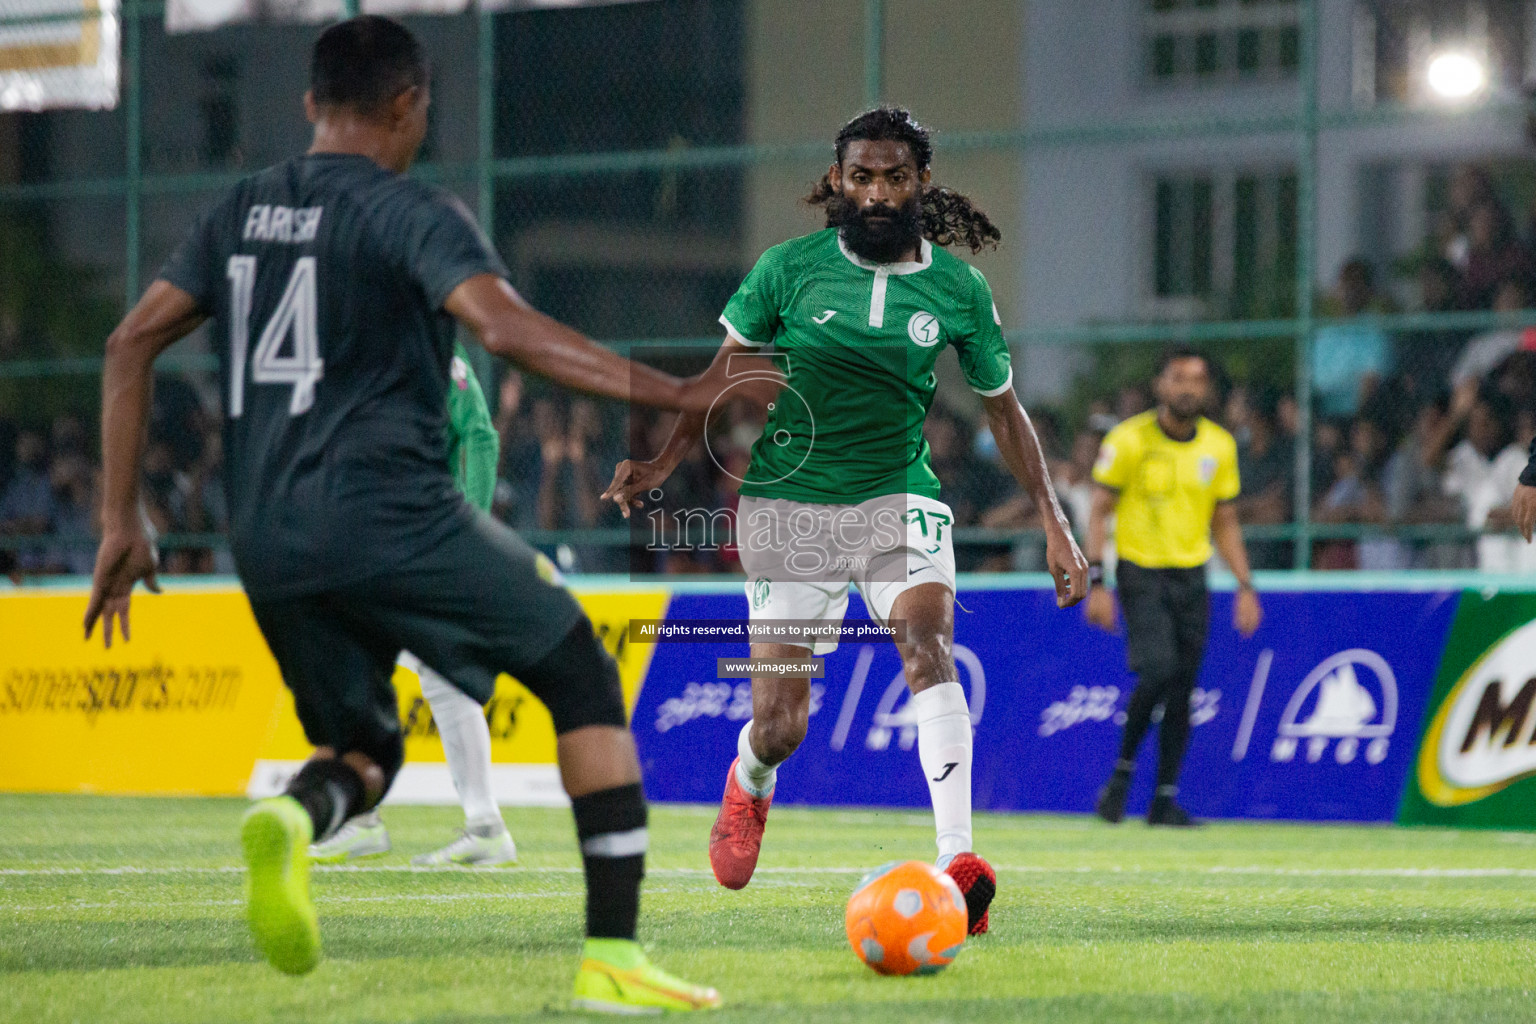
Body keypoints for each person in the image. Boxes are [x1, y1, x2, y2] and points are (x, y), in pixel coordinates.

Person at [82, 17, 725, 1012]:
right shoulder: (413, 212)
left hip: (267, 533)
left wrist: (121, 519)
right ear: (409, 105)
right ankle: (613, 953)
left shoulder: (237, 211)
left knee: (366, 750)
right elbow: (506, 329)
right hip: (390, 512)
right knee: (580, 672)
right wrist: (675, 394)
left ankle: (299, 820)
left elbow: (128, 343)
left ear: (308, 104)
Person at [601, 107, 1090, 936]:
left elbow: (1004, 413)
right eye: (860, 175)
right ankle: (750, 780)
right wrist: (663, 462)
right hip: (790, 505)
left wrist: (1055, 518)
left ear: (920, 183)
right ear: (837, 180)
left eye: (893, 175)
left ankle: (958, 864)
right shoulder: (788, 270)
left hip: (899, 495)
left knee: (927, 640)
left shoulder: (959, 290)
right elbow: (718, 376)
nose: (875, 191)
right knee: (781, 723)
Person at [309, 343, 519, 867]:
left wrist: (469, 529)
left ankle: (379, 819)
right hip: (376, 540)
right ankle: (375, 818)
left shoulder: (430, 343)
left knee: (370, 662)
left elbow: (480, 435)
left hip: (424, 540)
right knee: (377, 664)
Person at [1086, 347, 1262, 827]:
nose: (1188, 388)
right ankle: (1121, 776)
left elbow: (1224, 521)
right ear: (1161, 385)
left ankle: (1163, 799)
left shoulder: (1219, 446)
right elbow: (1098, 512)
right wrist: (1095, 581)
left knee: (1183, 687)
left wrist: (1245, 586)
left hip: (1192, 574)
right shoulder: (1128, 440)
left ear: (1206, 390)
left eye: (1197, 380)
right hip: (1140, 570)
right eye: (1179, 378)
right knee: (1160, 669)